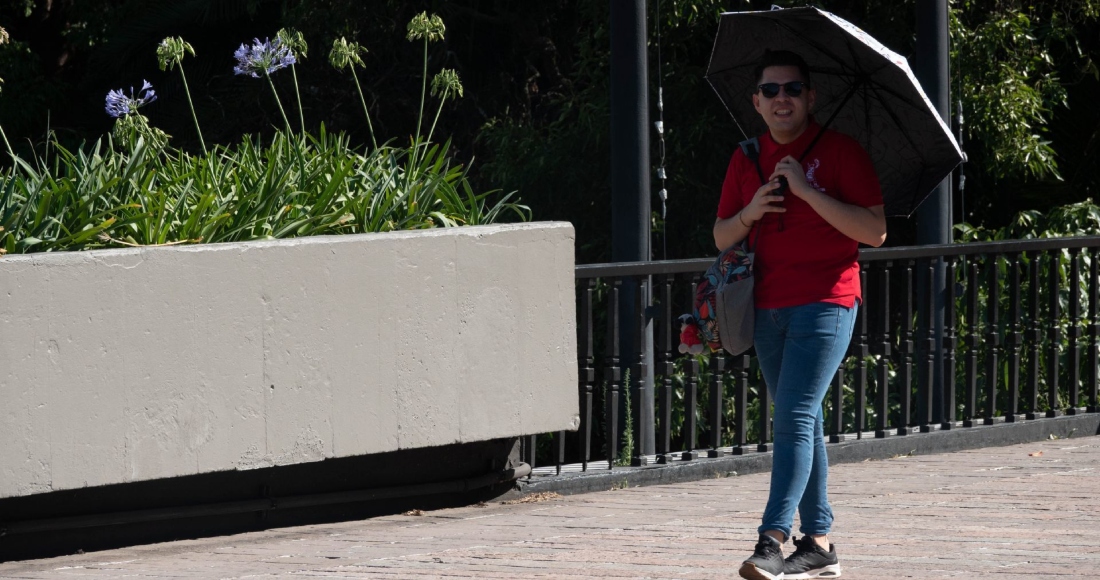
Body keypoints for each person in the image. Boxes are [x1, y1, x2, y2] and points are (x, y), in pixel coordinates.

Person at [713, 50, 886, 580]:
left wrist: (808, 192)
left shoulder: (840, 152)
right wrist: (752, 210)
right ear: (756, 102)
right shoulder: (747, 157)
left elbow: (875, 231)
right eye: (771, 91)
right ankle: (819, 543)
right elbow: (721, 236)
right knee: (802, 419)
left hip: (827, 300)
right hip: (766, 306)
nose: (781, 98)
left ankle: (771, 538)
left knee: (791, 416)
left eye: (792, 89)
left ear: (811, 97)